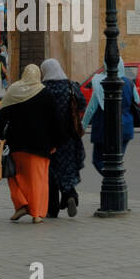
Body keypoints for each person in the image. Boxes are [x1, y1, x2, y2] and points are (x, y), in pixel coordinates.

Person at [0, 64, 61, 225]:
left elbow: (1, 115)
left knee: (14, 175)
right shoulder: (45, 93)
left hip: (17, 143)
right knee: (38, 179)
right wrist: (55, 142)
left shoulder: (14, 90)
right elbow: (55, 121)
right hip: (40, 145)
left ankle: (21, 203)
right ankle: (36, 214)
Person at [40, 58, 86, 219]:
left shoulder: (43, 89)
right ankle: (70, 194)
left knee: (51, 172)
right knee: (68, 168)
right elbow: (81, 103)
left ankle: (52, 209)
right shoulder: (71, 86)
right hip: (70, 137)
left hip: (50, 138)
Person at [82, 60, 139, 176]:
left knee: (98, 159)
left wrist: (82, 126)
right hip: (126, 127)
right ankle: (116, 181)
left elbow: (91, 108)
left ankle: (113, 182)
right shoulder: (129, 82)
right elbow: (137, 100)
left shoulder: (101, 83)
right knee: (116, 161)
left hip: (105, 129)